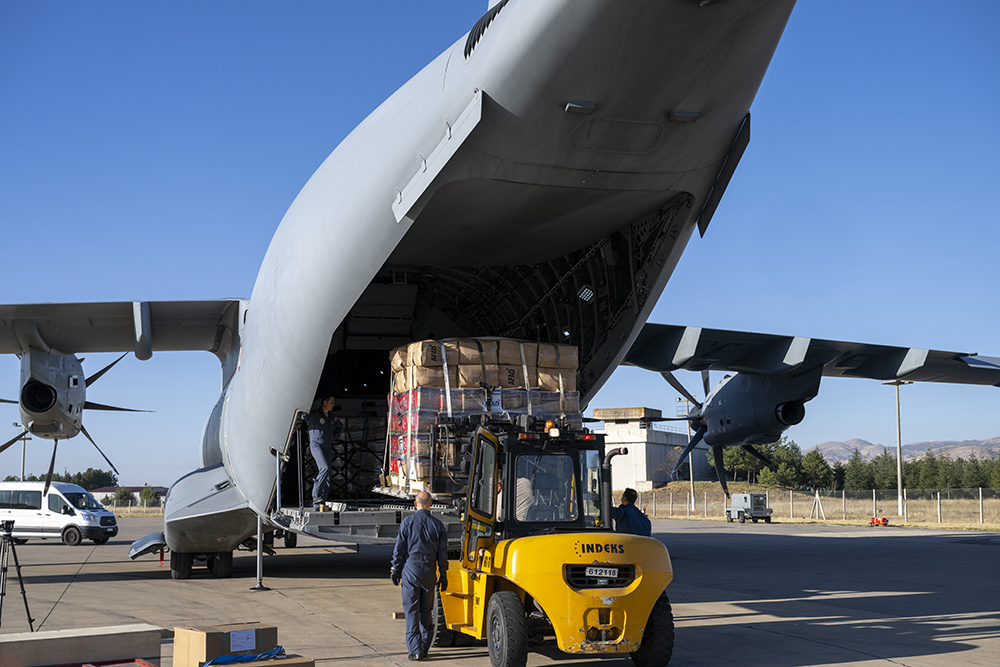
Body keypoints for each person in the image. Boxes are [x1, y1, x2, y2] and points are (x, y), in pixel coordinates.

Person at [390, 491, 448, 661]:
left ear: (416, 504)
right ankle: (424, 646)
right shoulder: (438, 525)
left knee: (411, 610)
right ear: (430, 504)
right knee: (426, 610)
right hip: (429, 572)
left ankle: (415, 650)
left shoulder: (407, 522)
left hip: (411, 571)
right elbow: (442, 554)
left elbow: (399, 548)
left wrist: (395, 569)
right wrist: (443, 574)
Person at [303, 395, 342, 510]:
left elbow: (340, 426)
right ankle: (316, 495)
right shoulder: (316, 415)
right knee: (324, 467)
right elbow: (304, 416)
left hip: (327, 446)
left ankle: (321, 500)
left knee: (328, 473)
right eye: (331, 402)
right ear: (325, 402)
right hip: (316, 445)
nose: (333, 405)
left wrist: (334, 437)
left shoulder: (331, 417)